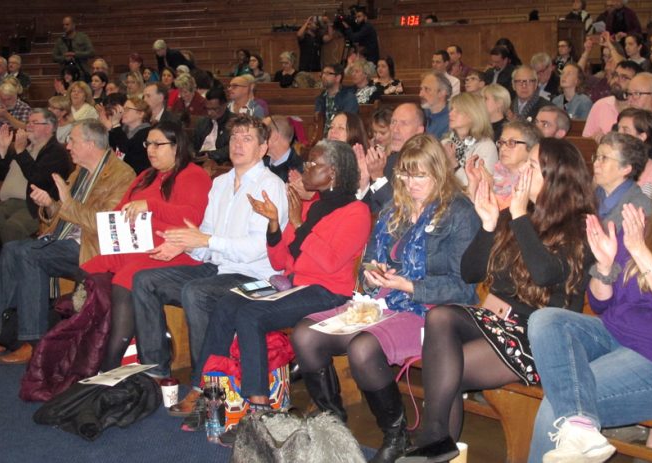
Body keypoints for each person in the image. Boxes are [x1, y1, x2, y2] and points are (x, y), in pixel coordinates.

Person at [398, 137, 595, 463]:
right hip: (493, 321)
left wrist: (518, 217)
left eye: (532, 166)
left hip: (538, 336)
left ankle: (435, 440)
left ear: (556, 177)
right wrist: (489, 226)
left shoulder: (580, 225)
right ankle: (435, 439)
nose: (522, 171)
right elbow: (471, 272)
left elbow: (546, 273)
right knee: (440, 318)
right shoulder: (515, 215)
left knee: (445, 369)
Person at [292, 134, 480, 463]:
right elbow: (374, 258)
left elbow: (463, 287)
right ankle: (333, 424)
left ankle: (396, 435)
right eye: (405, 174)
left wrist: (409, 286)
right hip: (384, 301)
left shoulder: (459, 213)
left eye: (420, 175)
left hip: (432, 313)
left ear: (438, 173)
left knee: (363, 348)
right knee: (306, 335)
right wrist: (372, 272)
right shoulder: (396, 207)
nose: (410, 182)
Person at [526, 140, 652, 463]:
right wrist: (604, 268)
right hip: (619, 337)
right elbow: (603, 304)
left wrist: (641, 254)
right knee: (547, 320)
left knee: (556, 407)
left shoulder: (650, 237)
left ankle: (577, 426)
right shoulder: (642, 227)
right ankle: (581, 428)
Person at [193, 140, 371, 415]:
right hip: (293, 284)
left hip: (328, 291)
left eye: (314, 164)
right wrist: (275, 224)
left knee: (252, 315)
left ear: (333, 172)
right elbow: (281, 261)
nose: (306, 168)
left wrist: (299, 224)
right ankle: (208, 392)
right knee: (228, 302)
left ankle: (259, 405)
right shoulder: (312, 207)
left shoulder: (356, 212)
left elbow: (329, 262)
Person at [131, 115, 288, 412]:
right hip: (219, 269)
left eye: (247, 138)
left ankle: (205, 386)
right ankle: (155, 372)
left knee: (197, 293)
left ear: (263, 147)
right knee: (145, 280)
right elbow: (205, 236)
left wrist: (206, 242)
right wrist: (182, 243)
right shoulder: (220, 183)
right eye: (235, 137)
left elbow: (259, 249)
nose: (238, 144)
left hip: (257, 277)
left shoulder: (271, 186)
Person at [78, 120, 211, 372]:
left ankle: (111, 363)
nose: (150, 149)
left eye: (158, 144)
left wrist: (150, 207)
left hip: (172, 249)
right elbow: (120, 211)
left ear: (176, 147)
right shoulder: (145, 175)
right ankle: (91, 340)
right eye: (148, 143)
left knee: (128, 277)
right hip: (134, 244)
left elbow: (192, 217)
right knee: (90, 266)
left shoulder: (194, 174)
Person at [0, 120, 135, 364]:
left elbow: (103, 224)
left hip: (91, 247)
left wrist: (67, 204)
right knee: (11, 249)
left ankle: (33, 341)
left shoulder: (122, 175)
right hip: (63, 240)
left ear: (90, 144)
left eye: (72, 140)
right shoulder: (79, 172)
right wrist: (50, 205)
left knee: (29, 254)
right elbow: (61, 213)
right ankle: (3, 331)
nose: (67, 145)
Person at [0, 110, 72, 244]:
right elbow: (2, 174)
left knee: (12, 228)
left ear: (49, 127)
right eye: (28, 122)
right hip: (7, 202)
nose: (28, 125)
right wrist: (2, 153)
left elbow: (38, 179)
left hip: (33, 206)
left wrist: (20, 152)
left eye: (34, 122)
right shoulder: (23, 146)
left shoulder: (56, 152)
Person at [360, 103, 426, 213]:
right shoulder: (388, 161)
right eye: (393, 122)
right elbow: (372, 207)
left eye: (404, 123)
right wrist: (363, 183)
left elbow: (402, 213)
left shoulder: (426, 165)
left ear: (419, 130)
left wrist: (378, 177)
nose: (395, 129)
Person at [466, 120, 542, 209]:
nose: (503, 148)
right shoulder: (493, 178)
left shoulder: (532, 186)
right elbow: (467, 217)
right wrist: (473, 184)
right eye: (502, 142)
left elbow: (510, 219)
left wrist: (490, 192)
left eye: (511, 143)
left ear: (530, 148)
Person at [593, 131, 652, 232]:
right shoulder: (595, 194)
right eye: (596, 157)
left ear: (625, 168)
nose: (595, 164)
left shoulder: (639, 207)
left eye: (604, 158)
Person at [442, 93, 497, 186]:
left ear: (473, 115)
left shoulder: (486, 147)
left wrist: (454, 164)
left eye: (458, 111)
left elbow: (481, 186)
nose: (450, 114)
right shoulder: (445, 143)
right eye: (451, 109)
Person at [583, 60, 641, 140]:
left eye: (624, 77)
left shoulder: (640, 108)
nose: (617, 80)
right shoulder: (600, 105)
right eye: (616, 75)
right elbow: (585, 140)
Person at [616, 107, 652, 197]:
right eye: (618, 128)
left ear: (641, 137)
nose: (618, 135)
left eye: (625, 130)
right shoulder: (609, 163)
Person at [103, 97, 152, 174]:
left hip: (134, 175)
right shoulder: (121, 130)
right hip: (118, 172)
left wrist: (116, 124)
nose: (122, 112)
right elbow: (110, 147)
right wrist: (109, 127)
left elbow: (126, 150)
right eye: (123, 109)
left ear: (141, 114)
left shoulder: (148, 133)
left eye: (127, 109)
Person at [314, 63, 359, 137]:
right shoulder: (321, 98)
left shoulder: (349, 98)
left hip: (341, 138)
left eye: (328, 73)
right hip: (324, 138)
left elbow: (347, 124)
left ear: (338, 78)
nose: (323, 76)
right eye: (323, 73)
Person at [193, 86, 232, 164]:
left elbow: (231, 148)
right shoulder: (202, 122)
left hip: (218, 163)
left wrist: (210, 155)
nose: (209, 113)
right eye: (207, 109)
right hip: (199, 160)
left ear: (224, 105)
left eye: (214, 109)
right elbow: (193, 143)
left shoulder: (234, 122)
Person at [262, 115, 303, 182]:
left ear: (274, 137)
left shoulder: (298, 170)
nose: (258, 138)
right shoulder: (259, 162)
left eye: (262, 133)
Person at [420, 71, 452, 139]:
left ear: (442, 93)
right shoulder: (420, 113)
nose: (420, 94)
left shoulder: (452, 119)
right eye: (421, 89)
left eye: (427, 89)